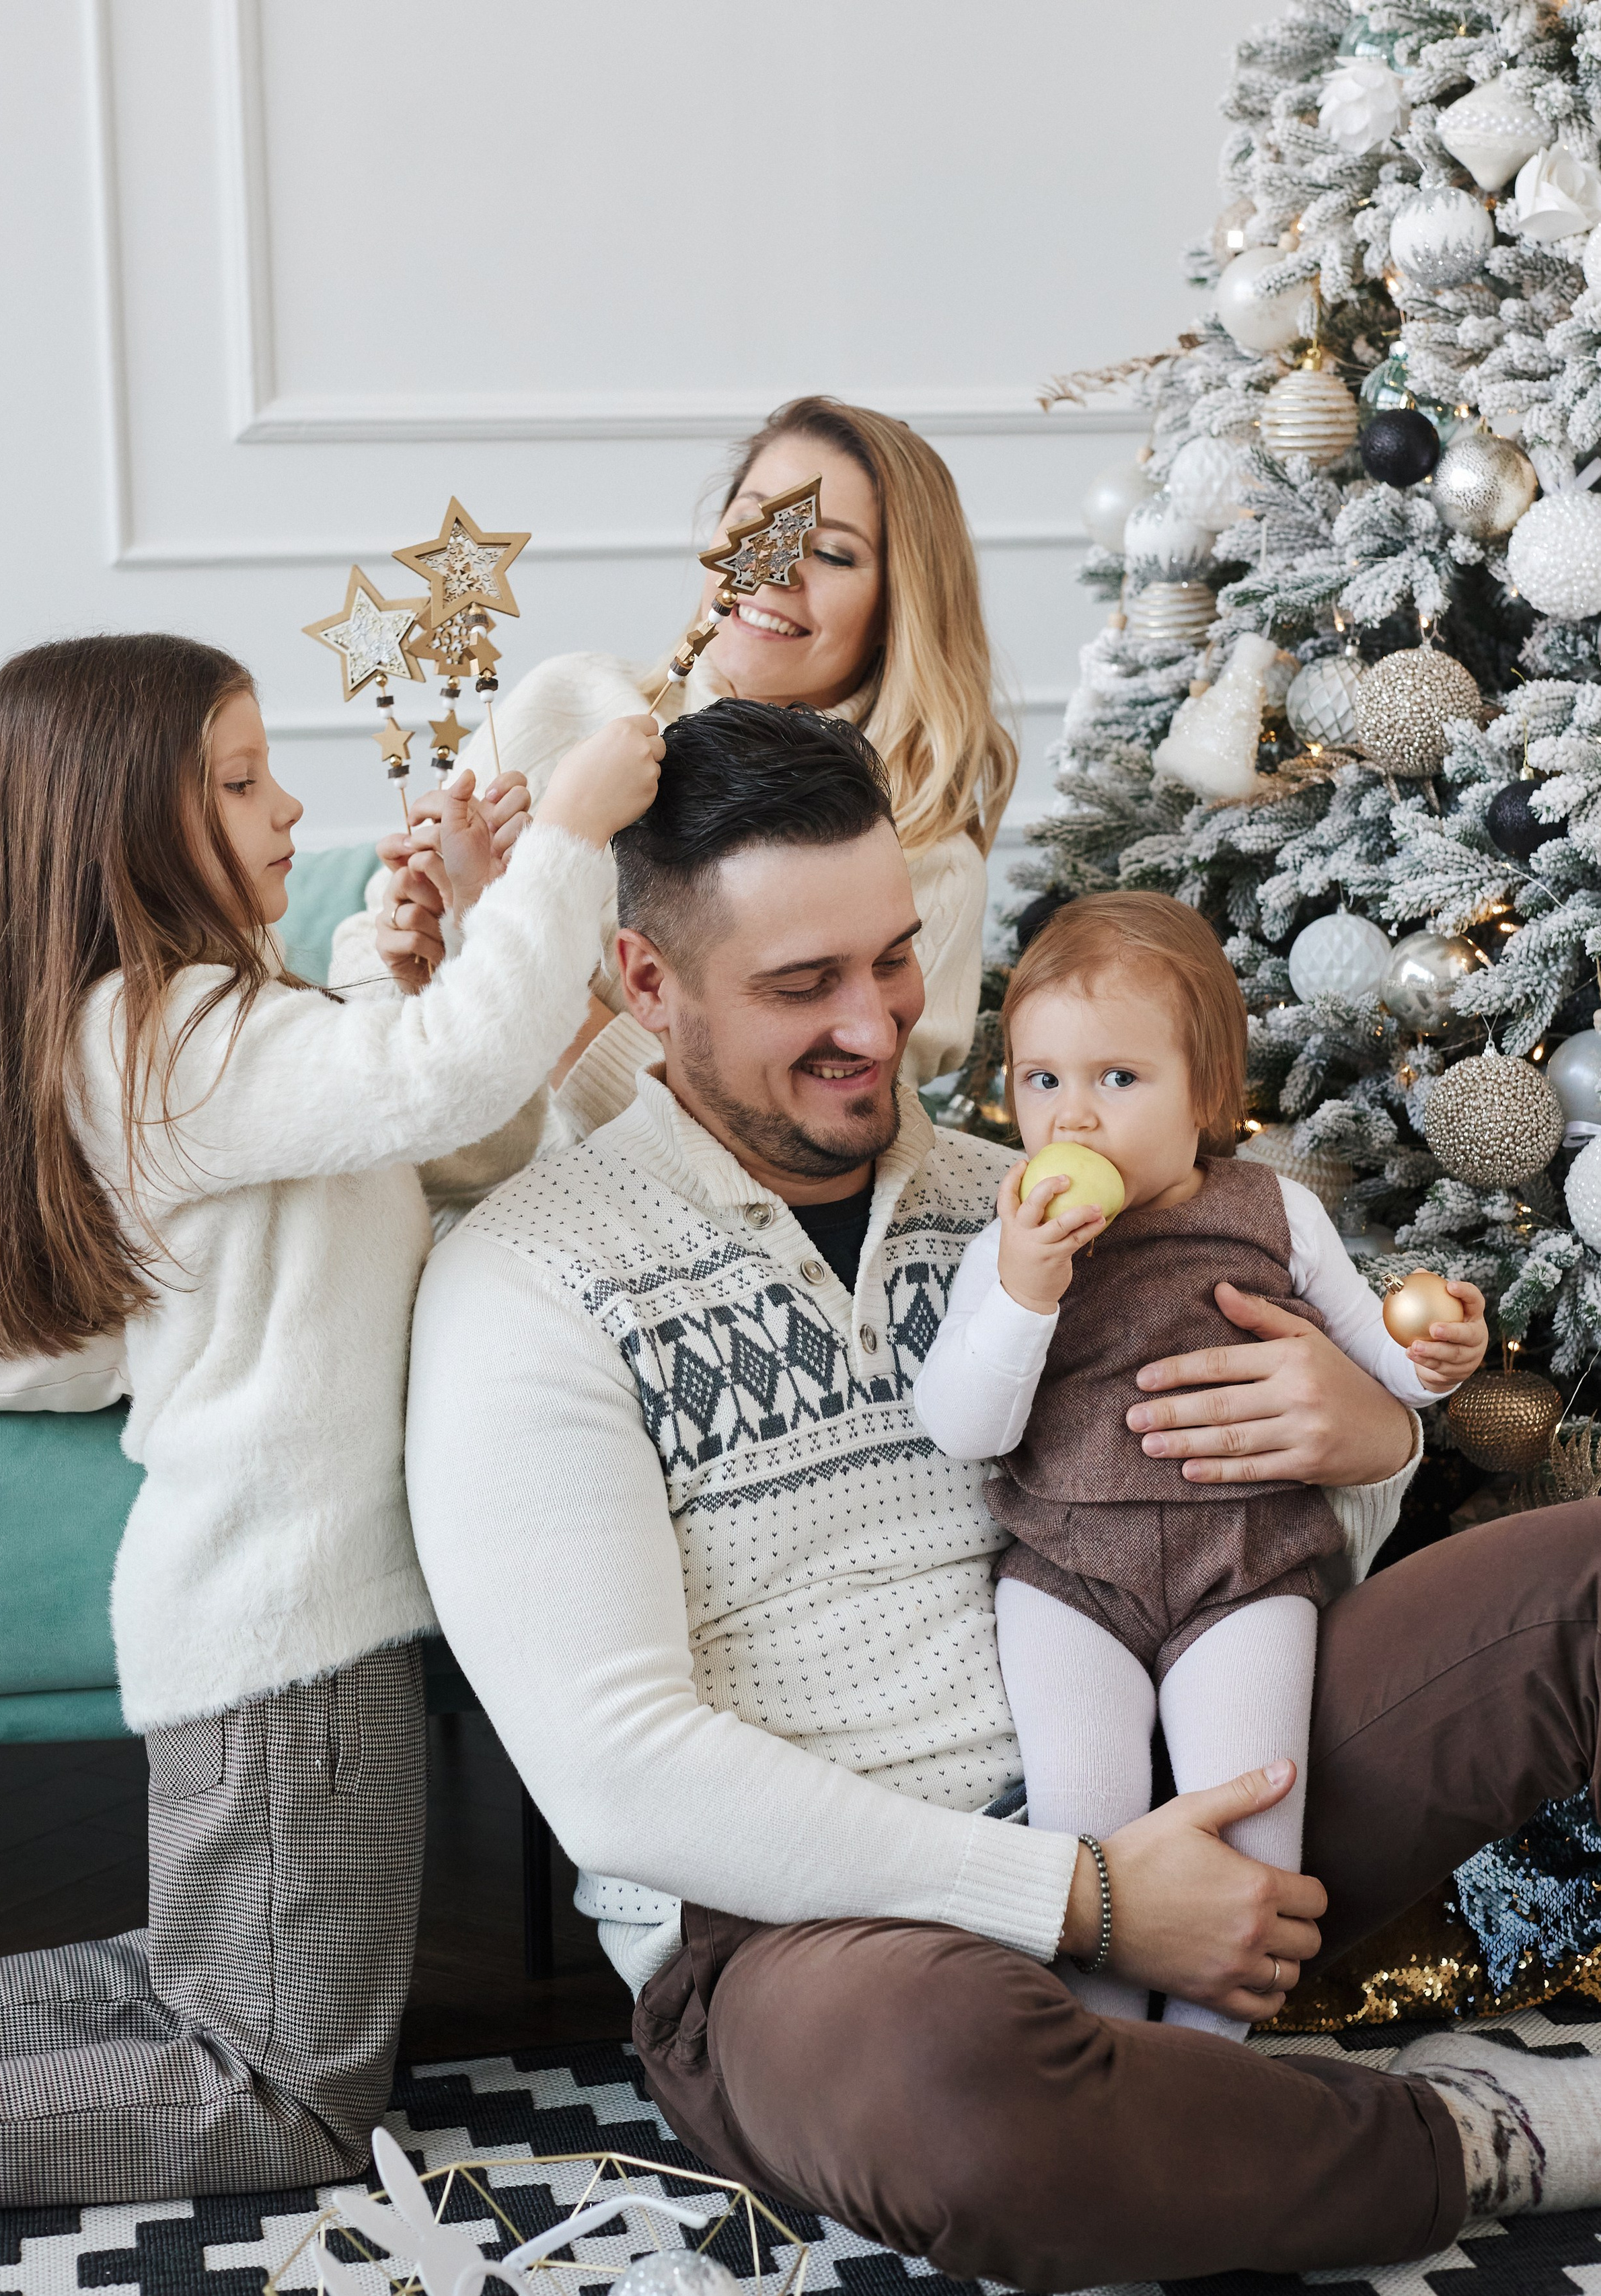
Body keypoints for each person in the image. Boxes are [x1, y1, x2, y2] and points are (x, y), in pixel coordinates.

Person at [406, 694, 1601, 2291]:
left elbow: (1235, 1559)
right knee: (957, 2101)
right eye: (798, 985)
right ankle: (1470, 2135)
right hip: (817, 1934)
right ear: (646, 983)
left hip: (1203, 1776)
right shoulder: (527, 1282)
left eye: (889, 955)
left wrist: (1362, 1448)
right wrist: (1087, 1896)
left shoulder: (1034, 1191)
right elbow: (622, 1772)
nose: (877, 1021)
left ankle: (1197, 2104)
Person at [0, 633, 661, 2210]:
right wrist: (570, 838)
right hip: (283, 1628)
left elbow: (436, 1128)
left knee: (194, 1979)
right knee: (285, 2097)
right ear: (121, 825)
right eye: (240, 780)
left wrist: (407, 943)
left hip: (255, 1616)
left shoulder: (203, 1027)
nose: (288, 805)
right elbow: (432, 1083)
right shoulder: (165, 1037)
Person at [911, 891, 1489, 2040]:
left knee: (1255, 1813)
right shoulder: (1010, 1238)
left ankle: (1217, 2062)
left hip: (1246, 1568)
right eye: (1041, 1081)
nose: (1072, 1118)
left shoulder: (1271, 1211)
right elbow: (962, 1422)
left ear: (1207, 1096)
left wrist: (1433, 1355)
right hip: (1070, 1574)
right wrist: (1026, 1290)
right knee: (1088, 1815)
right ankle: (1107, 2049)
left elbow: (1380, 1363)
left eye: (1118, 1079)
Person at [330, 394, 1016, 1146]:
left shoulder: (925, 859)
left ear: (899, 604)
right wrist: (412, 962)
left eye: (831, 552)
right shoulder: (567, 706)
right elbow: (367, 988)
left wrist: (523, 898)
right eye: (752, 521)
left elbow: (790, 1149)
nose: (774, 567)